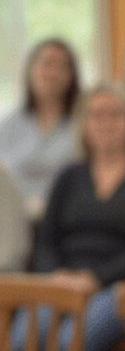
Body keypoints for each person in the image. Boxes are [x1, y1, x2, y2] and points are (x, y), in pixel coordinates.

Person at [32, 83, 125, 351]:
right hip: (61, 282)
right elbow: (45, 241)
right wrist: (56, 275)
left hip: (119, 285)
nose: (106, 122)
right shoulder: (68, 176)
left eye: (115, 114)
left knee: (69, 345)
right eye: (96, 114)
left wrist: (95, 278)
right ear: (83, 124)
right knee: (21, 343)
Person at [0, 38, 79, 221]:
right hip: (13, 220)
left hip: (65, 219)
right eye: (46, 64)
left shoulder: (83, 122)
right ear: (30, 69)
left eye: (61, 66)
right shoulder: (9, 124)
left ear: (71, 74)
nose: (52, 73)